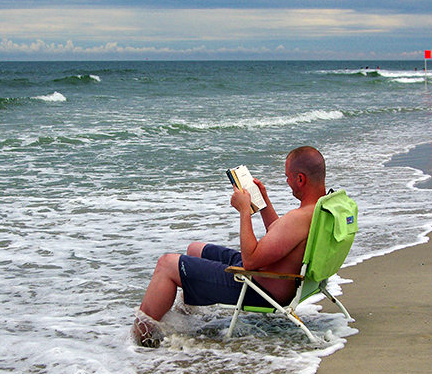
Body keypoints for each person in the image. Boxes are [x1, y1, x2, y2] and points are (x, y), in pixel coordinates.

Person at [131, 146, 328, 347]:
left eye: (288, 177)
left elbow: (250, 260)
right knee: (194, 249)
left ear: (300, 179)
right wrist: (263, 201)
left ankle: (141, 339)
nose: (287, 182)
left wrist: (244, 211)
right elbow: (281, 236)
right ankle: (188, 322)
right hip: (275, 277)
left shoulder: (299, 217)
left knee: (166, 265)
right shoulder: (320, 210)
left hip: (259, 287)